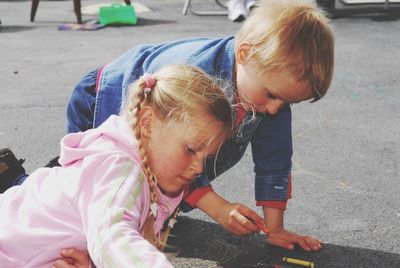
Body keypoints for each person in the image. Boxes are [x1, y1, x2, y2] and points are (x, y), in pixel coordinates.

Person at [1, 0, 334, 253]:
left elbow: (275, 159)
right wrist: (217, 207)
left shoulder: (267, 88)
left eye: (287, 102)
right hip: (104, 98)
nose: (275, 109)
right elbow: (174, 148)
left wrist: (275, 228)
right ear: (245, 55)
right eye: (273, 95)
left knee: (143, 191)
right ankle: (16, 185)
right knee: (96, 196)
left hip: (164, 127)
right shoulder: (197, 72)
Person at [0, 64, 233, 267]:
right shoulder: (120, 169)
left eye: (206, 157)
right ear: (147, 123)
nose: (199, 168)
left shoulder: (139, 169)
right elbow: (112, 237)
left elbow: (103, 243)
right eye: (191, 150)